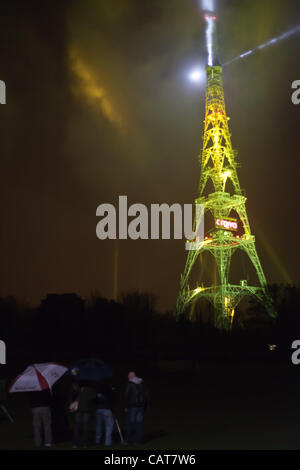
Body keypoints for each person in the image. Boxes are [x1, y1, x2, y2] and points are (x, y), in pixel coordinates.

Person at [124, 371, 149, 445]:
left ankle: (127, 440)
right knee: (139, 424)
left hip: (133, 406)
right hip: (141, 406)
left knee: (130, 423)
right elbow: (146, 394)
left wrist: (126, 406)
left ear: (130, 377)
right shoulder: (141, 383)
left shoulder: (129, 384)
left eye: (128, 376)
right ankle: (138, 441)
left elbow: (126, 395)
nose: (128, 378)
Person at [70, 381, 96, 448]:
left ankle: (75, 444)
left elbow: (73, 397)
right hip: (87, 410)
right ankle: (85, 444)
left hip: (78, 410)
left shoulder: (77, 389)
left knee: (77, 427)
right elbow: (94, 398)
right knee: (86, 427)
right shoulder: (91, 390)